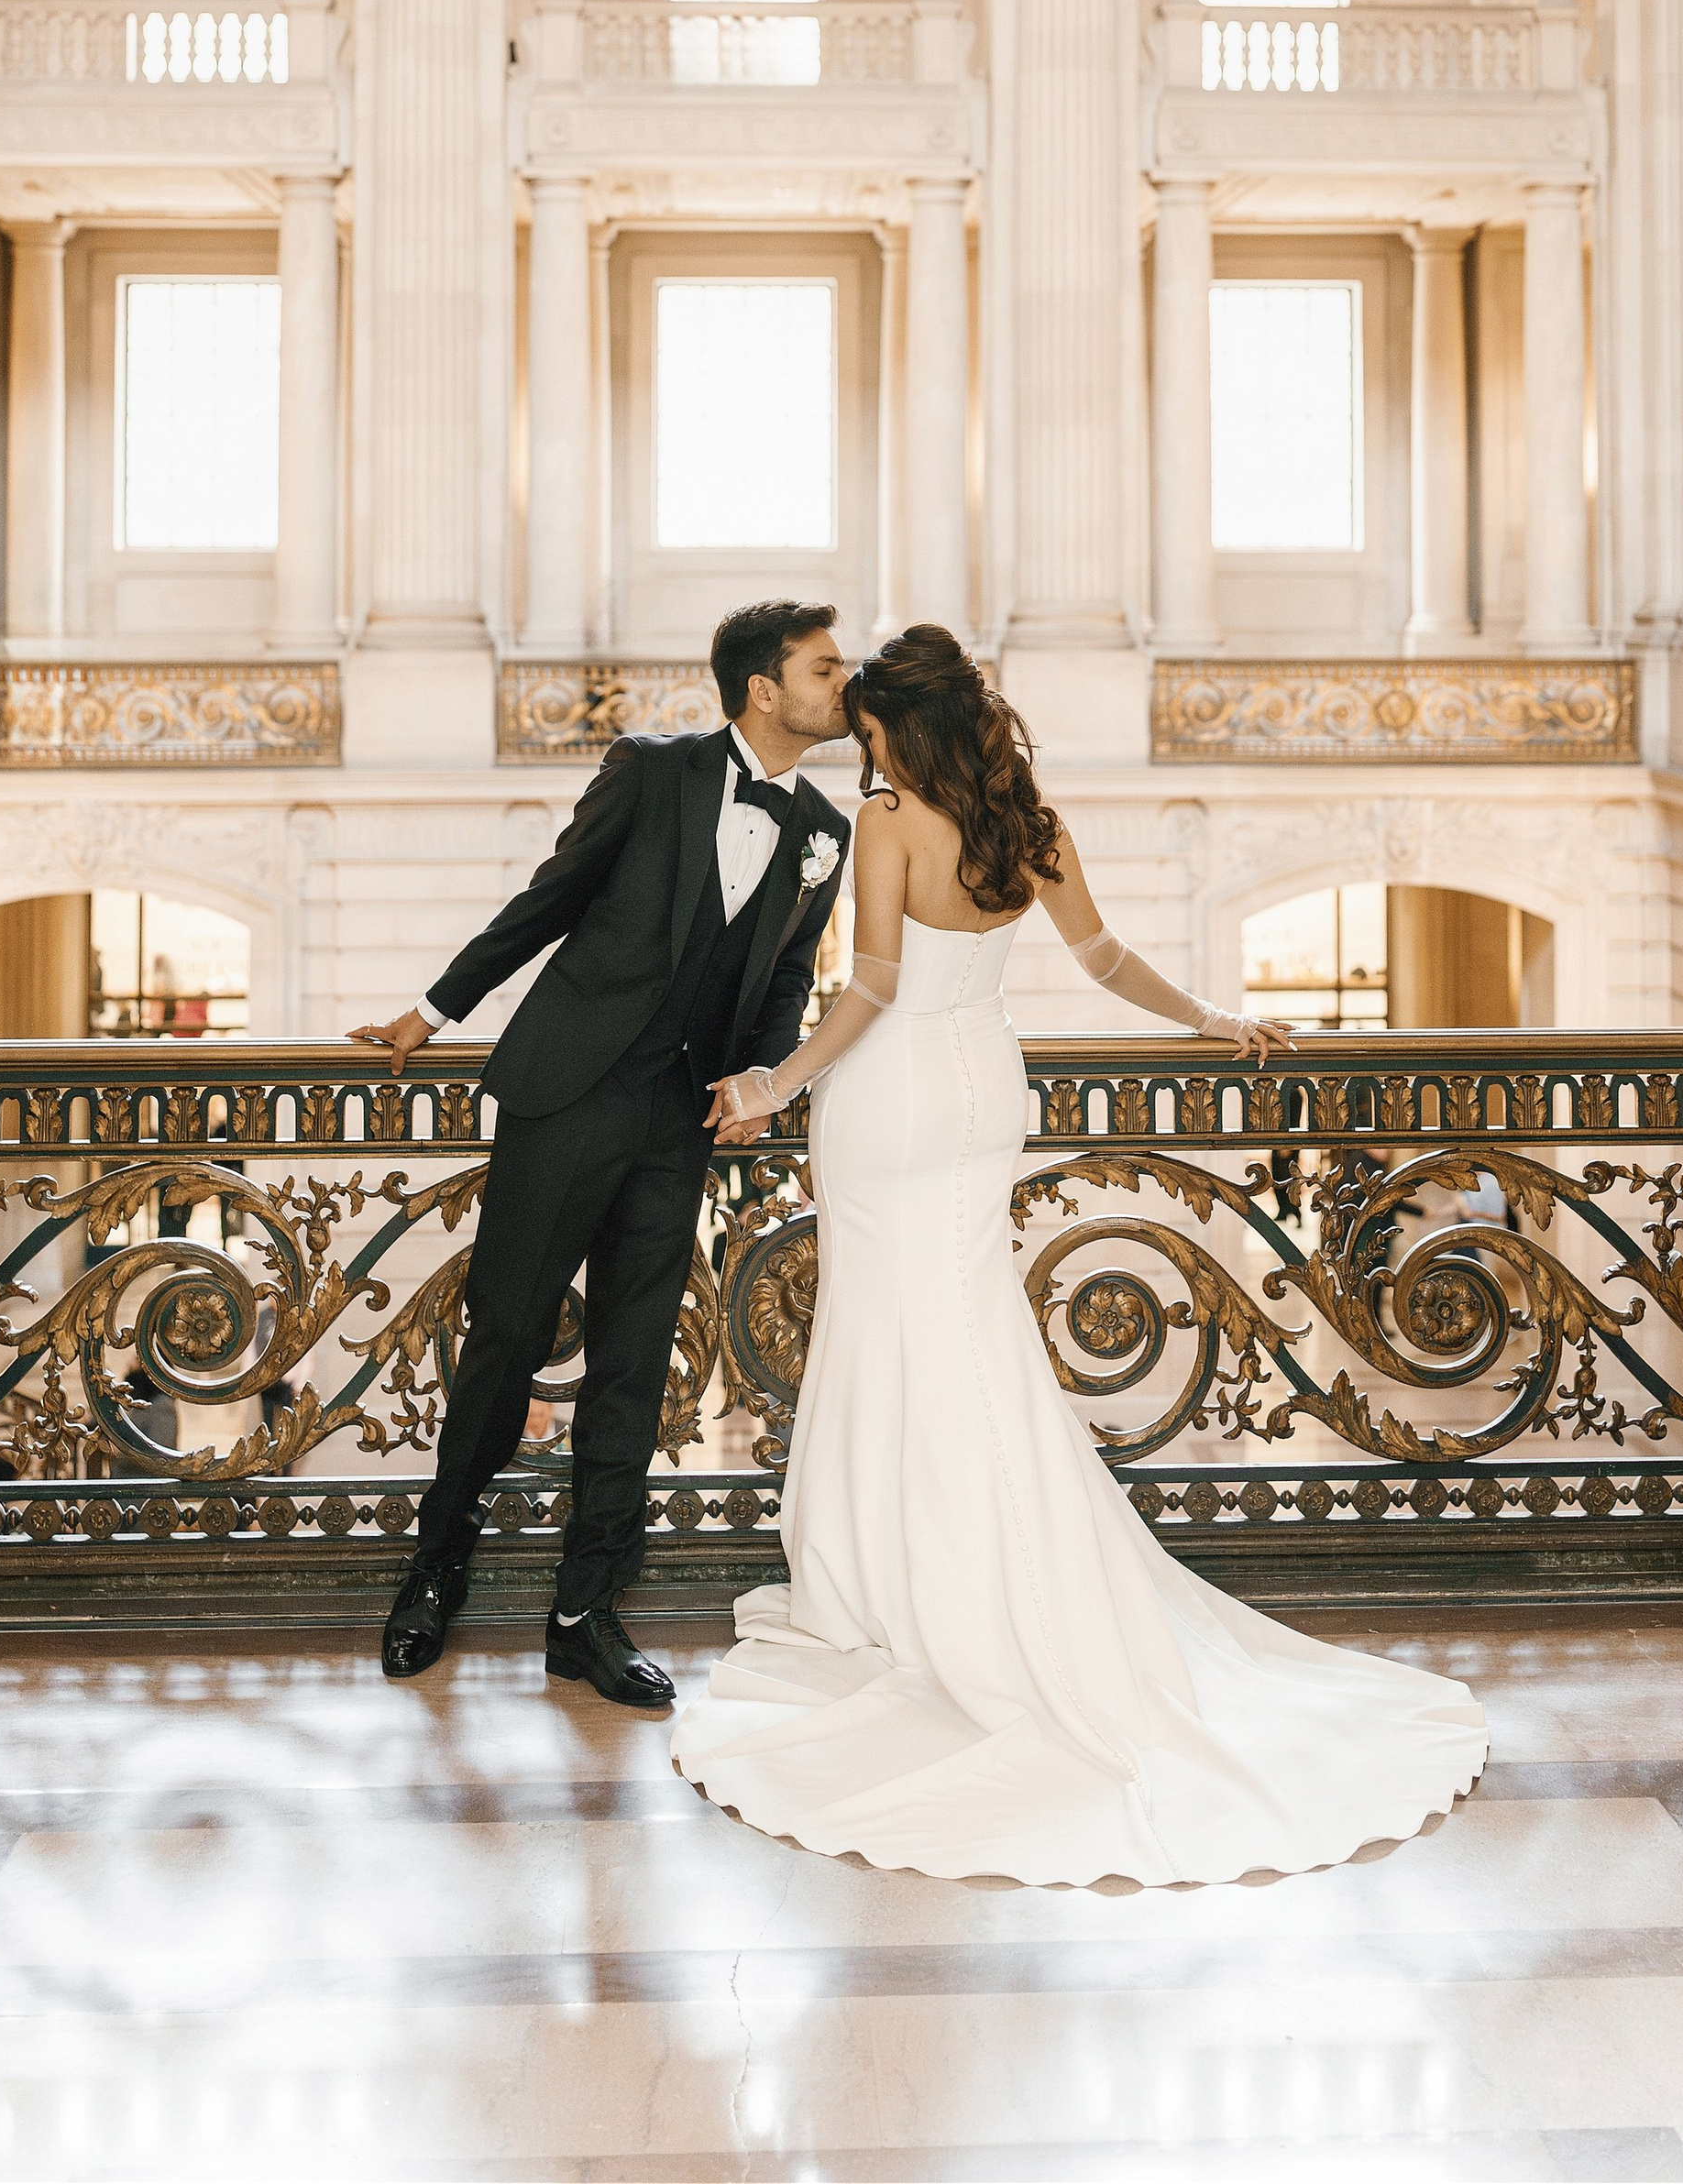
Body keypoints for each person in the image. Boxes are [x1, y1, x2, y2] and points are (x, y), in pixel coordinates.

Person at [674, 623, 1489, 1886]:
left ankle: (892, 1590)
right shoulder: (1026, 824)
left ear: (902, 730)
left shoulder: (888, 821)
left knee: (886, 1336)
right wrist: (1212, 1016)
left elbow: (872, 985)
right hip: (984, 1088)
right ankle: (992, 1572)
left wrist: (775, 1083)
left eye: (872, 731)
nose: (865, 753)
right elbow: (1101, 957)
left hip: (889, 1096)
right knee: (967, 1331)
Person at [349, 602, 852, 1702]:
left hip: (680, 1121)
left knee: (634, 1360)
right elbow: (549, 901)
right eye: (824, 669)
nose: (843, 684)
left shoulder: (827, 828)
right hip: (564, 1093)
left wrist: (761, 1082)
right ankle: (433, 1571)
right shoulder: (651, 770)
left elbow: (785, 978)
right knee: (505, 1337)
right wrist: (431, 1013)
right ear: (763, 688)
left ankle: (585, 1613)